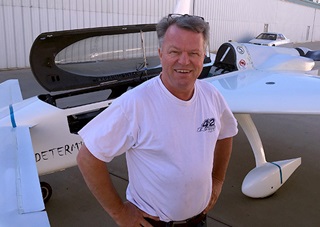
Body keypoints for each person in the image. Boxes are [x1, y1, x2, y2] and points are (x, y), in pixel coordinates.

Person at [77, 14, 238, 227]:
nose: (184, 61)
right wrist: (120, 213)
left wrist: (217, 181)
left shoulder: (212, 96)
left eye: (194, 53)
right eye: (175, 52)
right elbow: (88, 158)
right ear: (161, 54)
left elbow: (226, 134)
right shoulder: (135, 104)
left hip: (199, 221)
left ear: (203, 57)